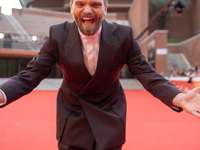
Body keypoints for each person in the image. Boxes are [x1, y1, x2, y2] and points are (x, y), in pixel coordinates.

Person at [0, 0, 200, 149]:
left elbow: (146, 73)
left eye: (95, 4)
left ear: (105, 8)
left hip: (110, 116)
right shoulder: (57, 35)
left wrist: (180, 98)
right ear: (71, 7)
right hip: (72, 117)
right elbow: (31, 74)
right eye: (80, 3)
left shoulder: (124, 36)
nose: (87, 10)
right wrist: (2, 93)